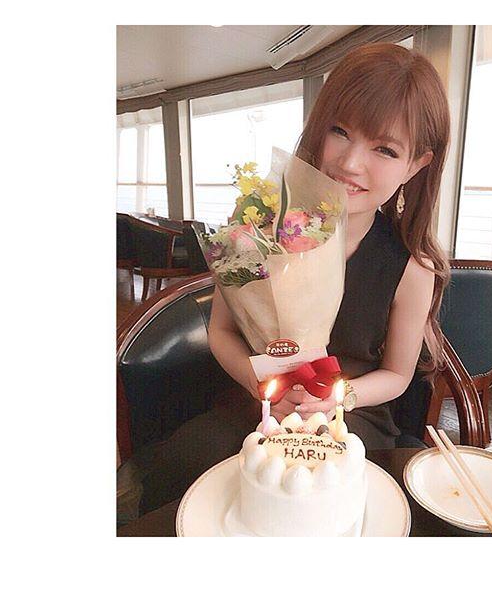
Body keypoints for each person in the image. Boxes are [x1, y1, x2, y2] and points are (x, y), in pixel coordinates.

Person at [117, 42, 451, 518]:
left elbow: (397, 376)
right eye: (340, 131)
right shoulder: (256, 230)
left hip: (350, 419)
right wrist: (260, 385)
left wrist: (335, 399)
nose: (351, 163)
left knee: (331, 504)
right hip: (255, 406)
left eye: (384, 149)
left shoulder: (411, 266)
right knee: (186, 481)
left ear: (416, 164)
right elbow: (222, 332)